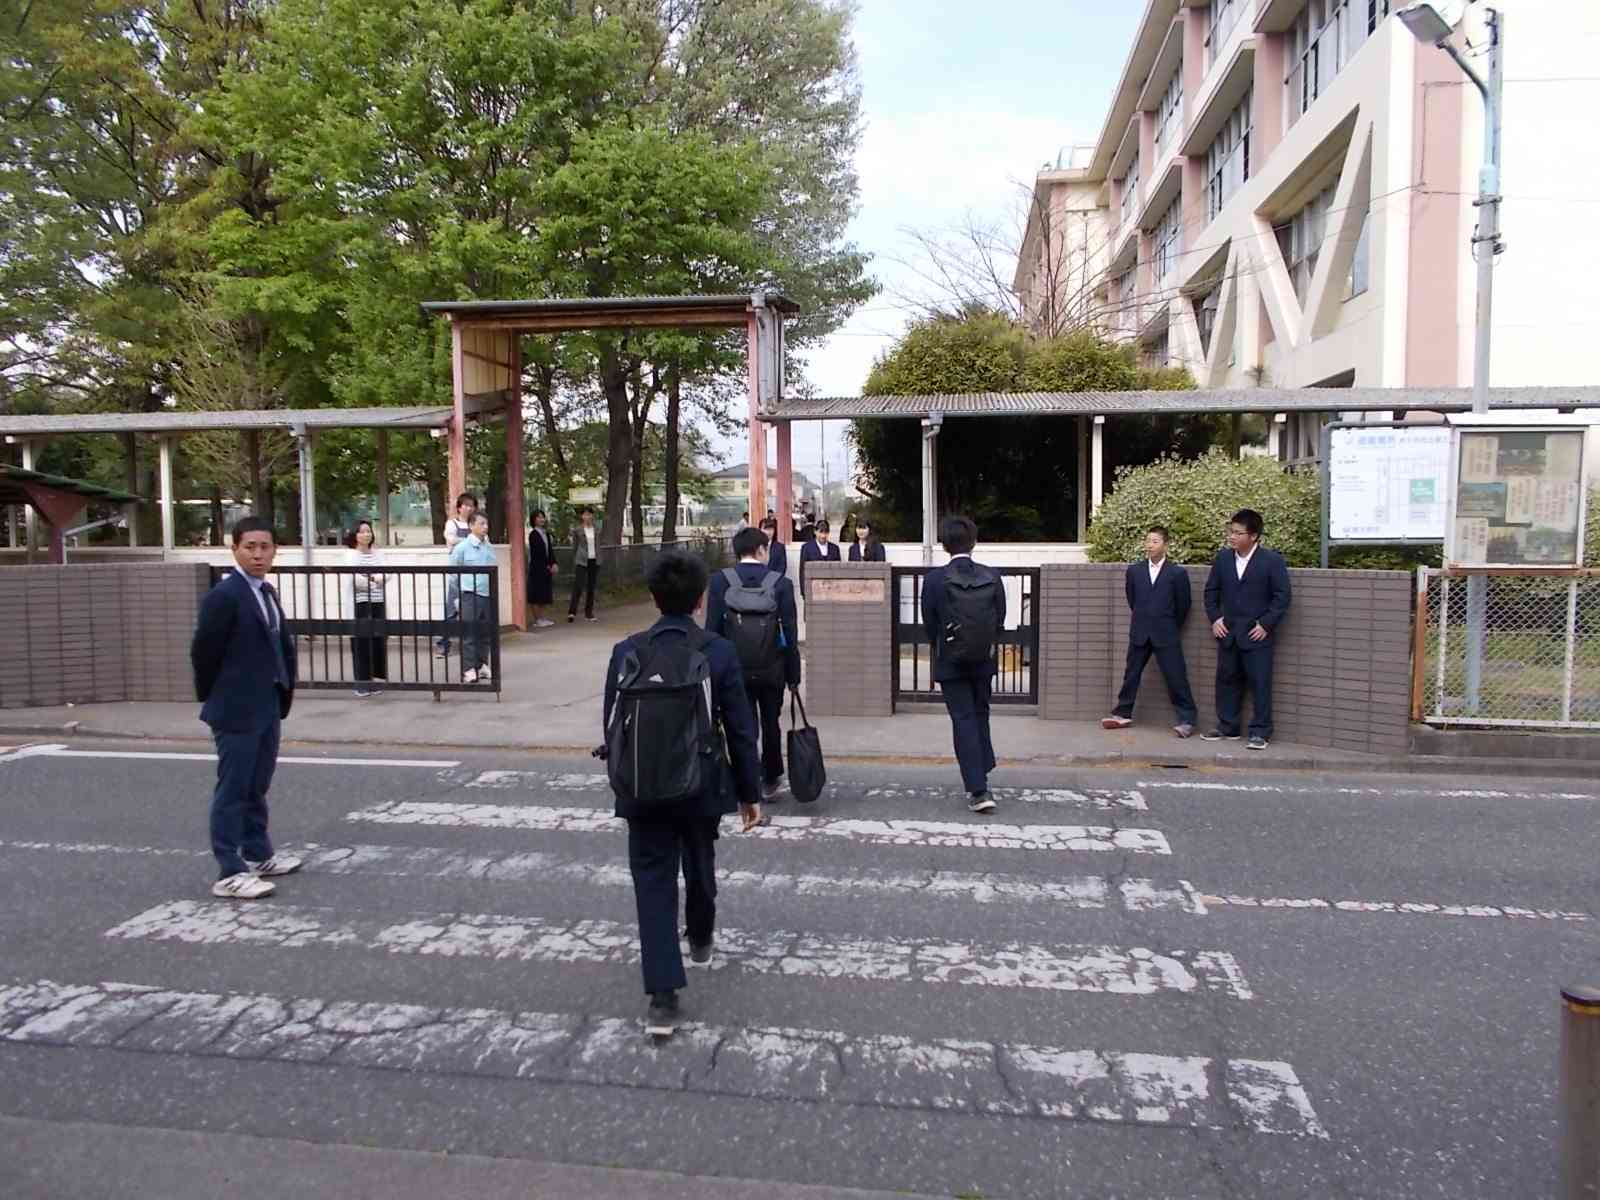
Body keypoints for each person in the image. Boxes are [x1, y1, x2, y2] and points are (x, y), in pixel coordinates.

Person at [602, 550, 762, 1038]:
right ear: (699, 600)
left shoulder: (627, 650)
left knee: (651, 881)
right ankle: (702, 935)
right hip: (700, 785)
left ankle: (663, 998)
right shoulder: (717, 651)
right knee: (699, 861)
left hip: (642, 788)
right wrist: (749, 792)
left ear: (653, 598)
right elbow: (740, 727)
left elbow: (611, 728)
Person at [190, 517, 301, 900]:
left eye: (264, 547)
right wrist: (216, 695)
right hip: (236, 706)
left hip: (267, 701)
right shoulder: (225, 595)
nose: (258, 554)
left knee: (257, 783)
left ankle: (257, 853)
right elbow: (204, 651)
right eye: (249, 547)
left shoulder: (264, 591)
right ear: (234, 549)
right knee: (234, 787)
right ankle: (229, 869)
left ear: (274, 550)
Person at [707, 526, 802, 802]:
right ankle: (770, 778)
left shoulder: (720, 582)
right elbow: (791, 634)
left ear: (736, 552)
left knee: (740, 725)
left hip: (732, 669)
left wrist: (712, 673)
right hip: (772, 669)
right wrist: (793, 676)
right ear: (762, 550)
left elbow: (712, 631)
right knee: (771, 722)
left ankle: (744, 780)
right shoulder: (780, 583)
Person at [921, 516, 1005, 813]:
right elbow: (1000, 619)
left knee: (963, 720)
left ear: (944, 544)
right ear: (974, 542)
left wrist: (944, 646)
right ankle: (983, 767)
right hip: (983, 660)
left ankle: (978, 790)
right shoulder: (992, 576)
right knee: (980, 714)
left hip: (951, 662)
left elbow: (929, 624)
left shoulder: (934, 580)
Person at [1202, 508, 1292, 750]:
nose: (1232, 537)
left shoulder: (1272, 561)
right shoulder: (1223, 559)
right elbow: (1211, 592)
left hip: (1256, 633)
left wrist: (1266, 624)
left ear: (1253, 536)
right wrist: (1215, 618)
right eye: (1230, 531)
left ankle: (1260, 731)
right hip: (1228, 632)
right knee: (1226, 679)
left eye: (1237, 533)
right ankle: (1227, 726)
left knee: (1259, 683)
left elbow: (1282, 597)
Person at [1102, 526, 1197, 738]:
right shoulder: (1135, 571)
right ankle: (1122, 713)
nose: (1150, 545)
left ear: (1166, 545)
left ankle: (1187, 719)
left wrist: (1170, 625)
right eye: (1148, 541)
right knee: (1131, 673)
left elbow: (1183, 605)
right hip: (1140, 630)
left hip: (1167, 633)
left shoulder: (1177, 573)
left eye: (1155, 541)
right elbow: (1132, 599)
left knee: (1176, 676)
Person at [450, 510, 496, 684]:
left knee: (485, 632)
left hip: (487, 594)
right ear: (471, 526)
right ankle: (468, 669)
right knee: (469, 633)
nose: (485, 527)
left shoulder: (488, 546)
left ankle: (482, 664)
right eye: (481, 524)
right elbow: (453, 572)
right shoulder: (462, 547)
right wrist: (461, 592)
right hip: (470, 594)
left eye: (486, 524)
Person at [347, 519, 387, 698]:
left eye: (369, 531)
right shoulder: (350, 555)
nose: (366, 534)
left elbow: (387, 574)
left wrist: (373, 579)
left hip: (378, 601)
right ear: (355, 535)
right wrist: (374, 581)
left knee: (376, 640)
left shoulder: (378, 554)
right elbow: (354, 580)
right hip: (360, 603)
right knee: (361, 642)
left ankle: (373, 679)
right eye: (362, 531)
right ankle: (361, 682)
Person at [436, 492, 477, 658]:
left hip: (474, 572)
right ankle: (443, 644)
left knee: (474, 609)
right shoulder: (451, 524)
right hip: (457, 572)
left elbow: (484, 540)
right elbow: (451, 539)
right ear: (459, 507)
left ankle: (473, 645)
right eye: (465, 505)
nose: (468, 508)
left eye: (471, 505)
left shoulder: (476, 523)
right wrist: (471, 540)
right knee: (452, 609)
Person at [568, 506, 600, 623]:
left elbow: (598, 544)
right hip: (581, 560)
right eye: (585, 514)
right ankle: (572, 612)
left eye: (589, 514)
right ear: (582, 516)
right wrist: (575, 558)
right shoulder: (578, 530)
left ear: (592, 516)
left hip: (594, 559)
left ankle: (589, 613)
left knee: (591, 587)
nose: (587, 517)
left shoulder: (597, 529)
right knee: (578, 586)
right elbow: (575, 546)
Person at [526, 509, 557, 628]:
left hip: (546, 568)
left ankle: (542, 617)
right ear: (534, 520)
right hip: (537, 568)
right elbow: (537, 553)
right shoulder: (533, 534)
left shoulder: (546, 533)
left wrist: (553, 563)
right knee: (536, 594)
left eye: (542, 517)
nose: (541, 519)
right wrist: (547, 565)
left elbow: (550, 551)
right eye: (538, 517)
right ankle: (537, 619)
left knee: (544, 594)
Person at [798, 518, 840, 598]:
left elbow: (837, 571)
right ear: (815, 532)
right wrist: (804, 591)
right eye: (821, 532)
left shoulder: (835, 548)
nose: (823, 535)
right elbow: (802, 571)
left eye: (826, 532)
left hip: (830, 591)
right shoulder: (807, 547)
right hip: (813, 590)